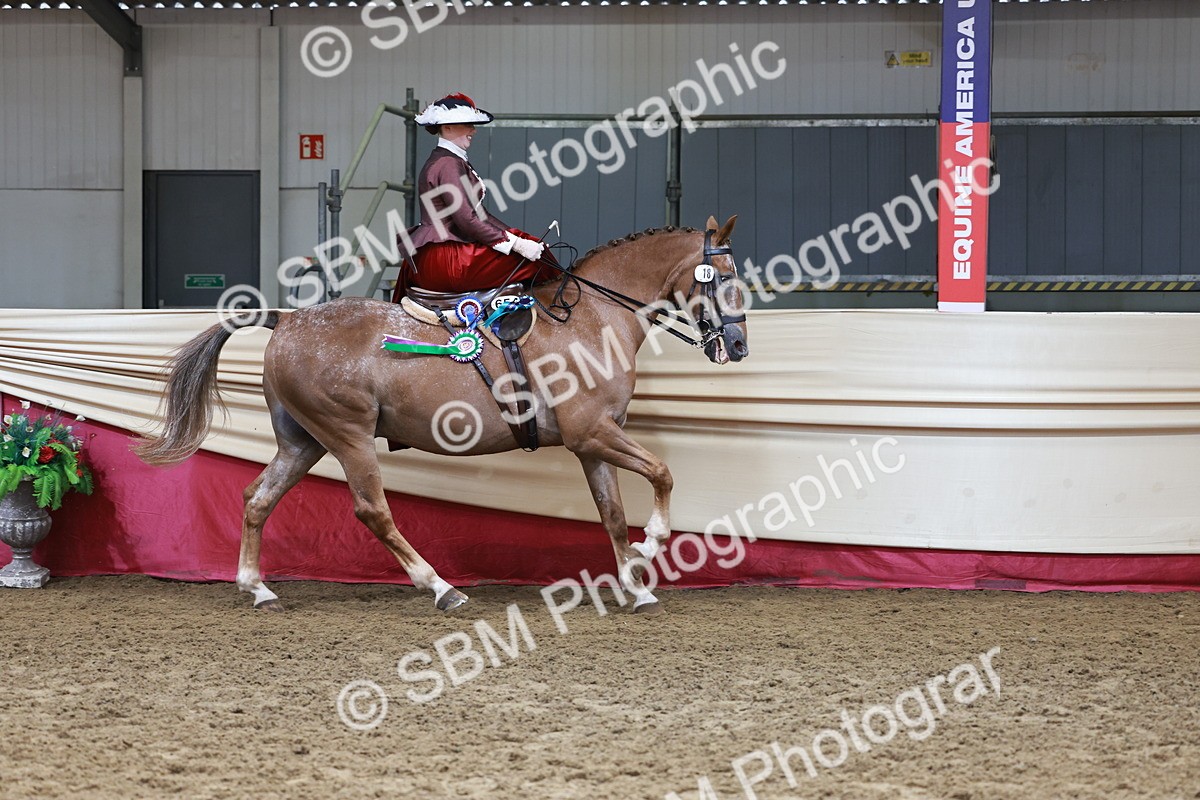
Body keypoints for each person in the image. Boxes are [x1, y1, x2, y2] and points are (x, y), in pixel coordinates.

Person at [393, 93, 555, 301]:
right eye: (467, 124)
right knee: (537, 262)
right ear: (447, 127)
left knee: (536, 253)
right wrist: (517, 245)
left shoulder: (448, 160)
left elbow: (480, 215)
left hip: (436, 255)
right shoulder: (448, 164)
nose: (473, 130)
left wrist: (521, 238)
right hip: (446, 259)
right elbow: (466, 219)